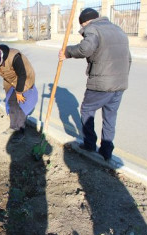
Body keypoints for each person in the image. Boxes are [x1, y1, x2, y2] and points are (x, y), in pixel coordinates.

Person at [59, 8, 131, 162]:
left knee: (87, 110)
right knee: (110, 117)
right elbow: (128, 58)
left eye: (82, 26)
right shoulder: (117, 30)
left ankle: (90, 144)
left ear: (85, 22)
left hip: (101, 83)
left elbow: (85, 49)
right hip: (120, 83)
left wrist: (67, 52)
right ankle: (106, 152)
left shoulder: (93, 29)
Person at [0, 44, 38, 143]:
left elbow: (22, 75)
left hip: (25, 79)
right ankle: (13, 127)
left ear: (0, 55)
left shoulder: (14, 57)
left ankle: (20, 131)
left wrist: (19, 92)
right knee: (11, 103)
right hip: (11, 82)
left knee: (22, 106)